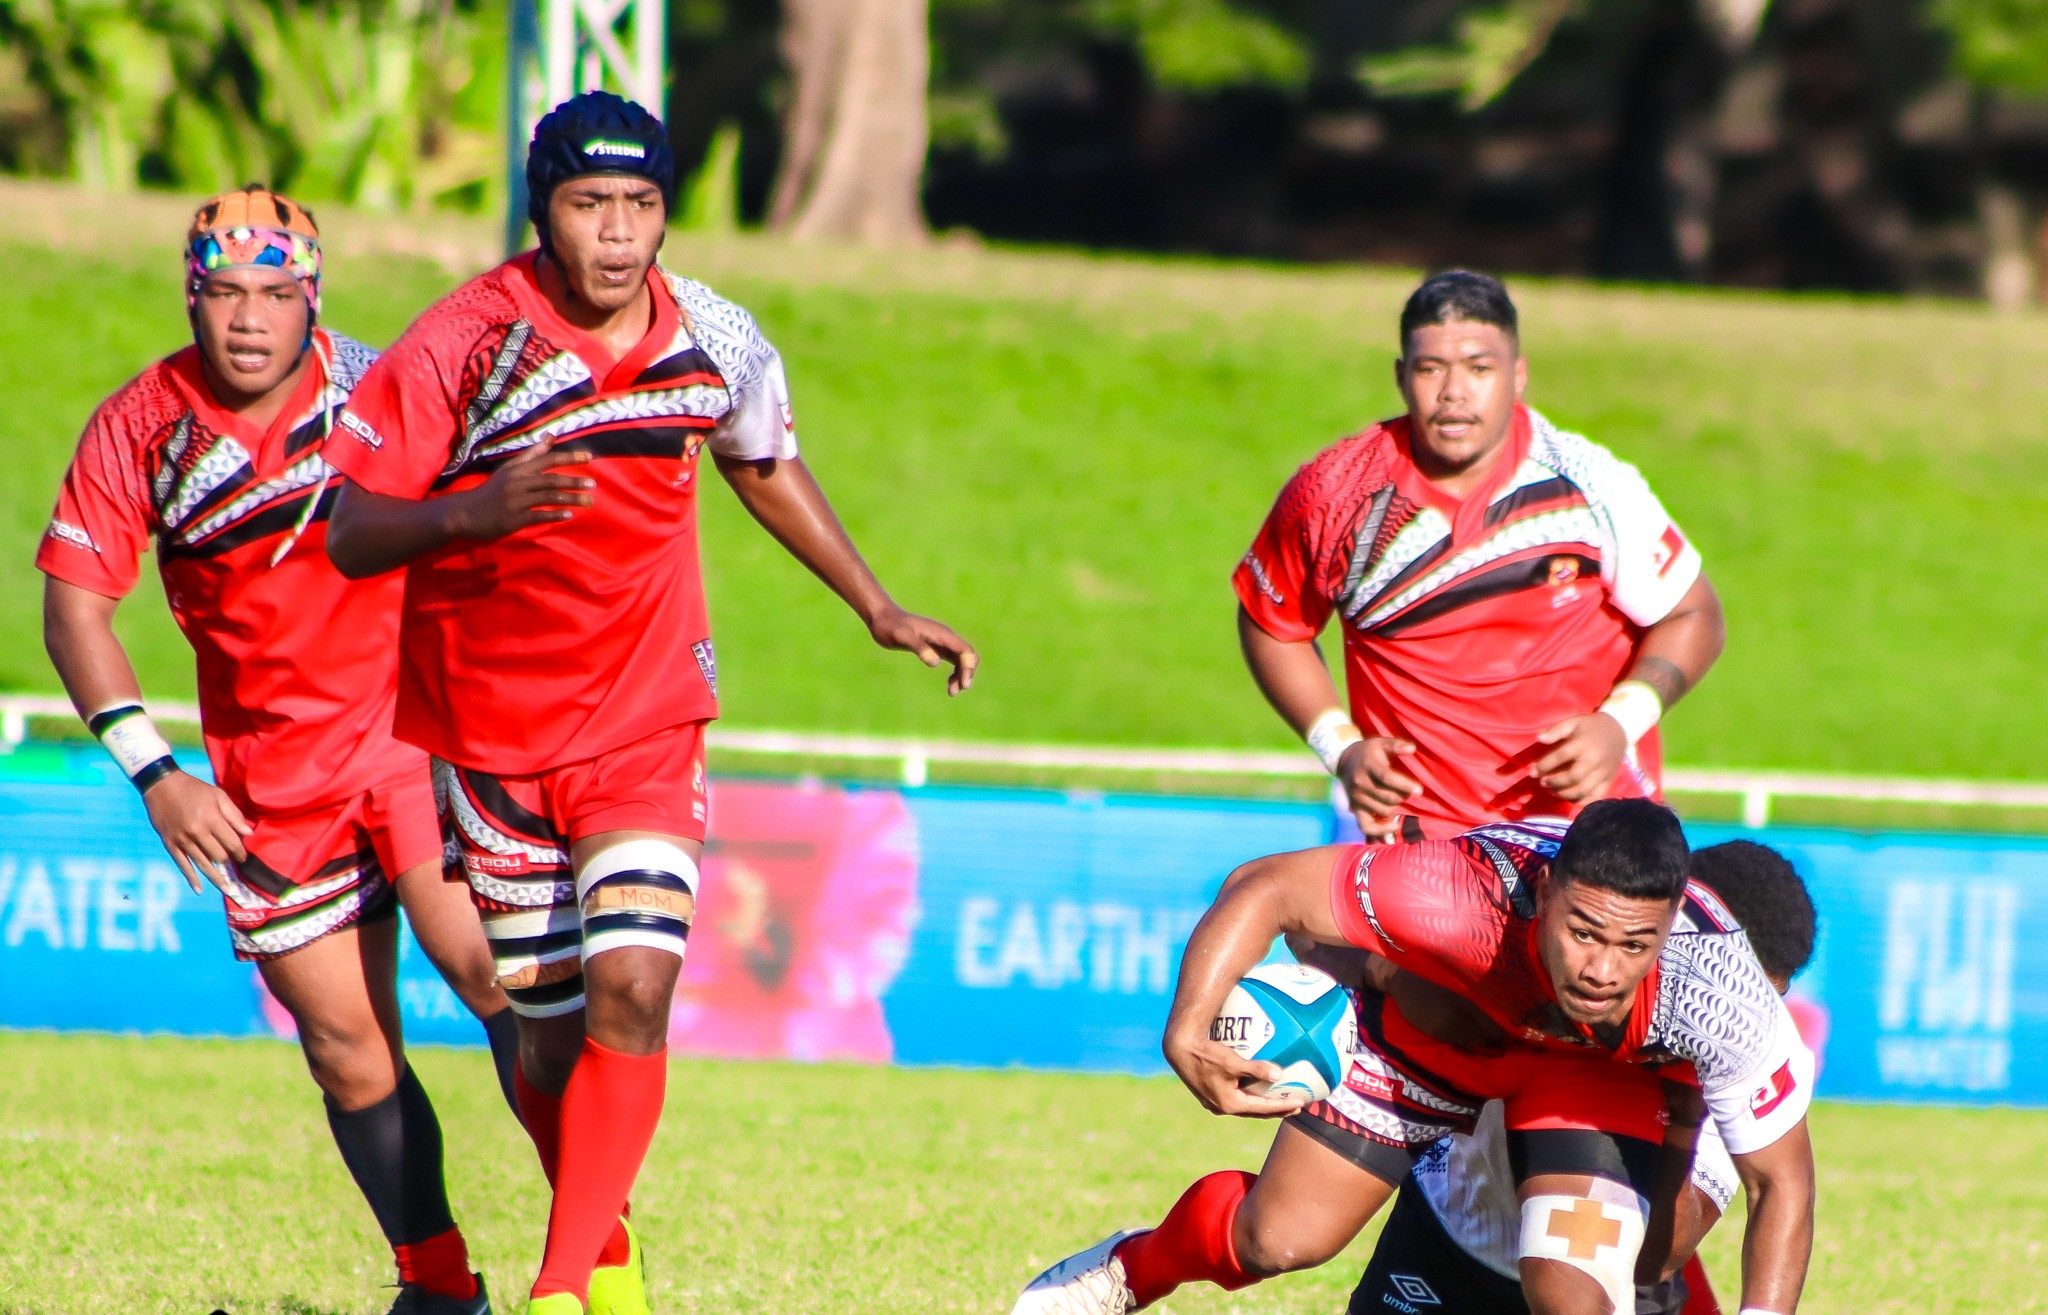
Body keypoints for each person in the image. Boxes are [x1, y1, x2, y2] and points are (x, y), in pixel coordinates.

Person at [320, 92, 980, 1315]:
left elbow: (762, 461)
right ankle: (604, 1248)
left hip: (644, 716)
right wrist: (476, 509)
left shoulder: (714, 336)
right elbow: (353, 530)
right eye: (590, 205)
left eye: (640, 203)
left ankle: (560, 1289)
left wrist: (875, 605)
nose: (618, 232)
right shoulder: (462, 341)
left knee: (634, 986)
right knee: (548, 1033)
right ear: (542, 212)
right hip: (488, 736)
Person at [36, 186, 516, 1315]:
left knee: (492, 970)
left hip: (414, 731)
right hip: (272, 780)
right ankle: (440, 1292)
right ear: (190, 297)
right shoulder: (140, 425)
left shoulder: (383, 390)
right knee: (347, 1052)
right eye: (223, 292)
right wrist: (156, 771)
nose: (247, 317)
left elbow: (489, 520)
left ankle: (594, 1258)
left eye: (273, 292)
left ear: (314, 299)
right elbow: (74, 609)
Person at [1013, 800, 1816, 1315]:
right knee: (1278, 1239)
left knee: (1575, 1299)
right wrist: (1187, 1027)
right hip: (1445, 1034)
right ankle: (1127, 1269)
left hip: (1589, 1079)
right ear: (1544, 895)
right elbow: (1267, 886)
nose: (1603, 968)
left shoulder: (1723, 990)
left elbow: (1782, 1182)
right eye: (1582, 932)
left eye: (1634, 945)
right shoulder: (1460, 891)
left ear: (1671, 925)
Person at [1233, 271, 1725, 842]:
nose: (1454, 392)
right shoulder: (1334, 495)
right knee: (1263, 888)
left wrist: (1619, 723)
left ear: (1518, 376)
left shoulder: (1590, 483)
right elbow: (1271, 624)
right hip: (1420, 845)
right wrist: (1339, 747)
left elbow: (1694, 614)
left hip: (1591, 841)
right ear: (1400, 377)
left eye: (1479, 368)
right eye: (1430, 369)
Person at [1345, 839, 1821, 1315]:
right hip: (1451, 1227)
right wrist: (1393, 976)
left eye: (1762, 997)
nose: (1725, 1009)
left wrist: (1683, 1126)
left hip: (1612, 1279)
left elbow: (1657, 1259)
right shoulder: (1543, 949)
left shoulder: (1748, 1046)